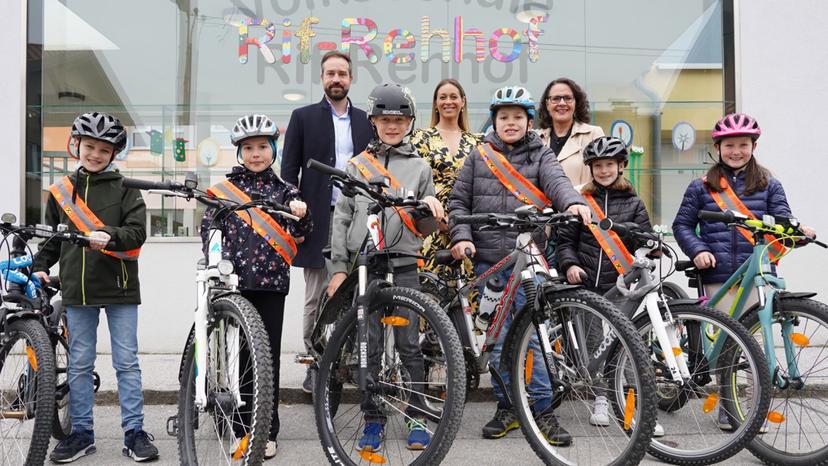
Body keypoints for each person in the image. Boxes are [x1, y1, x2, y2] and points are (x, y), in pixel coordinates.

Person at [448, 86, 591, 445]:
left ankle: (542, 411)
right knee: (498, 341)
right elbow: (458, 202)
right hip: (490, 265)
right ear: (494, 121)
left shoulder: (541, 154)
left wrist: (572, 202)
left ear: (529, 121)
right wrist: (460, 236)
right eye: (503, 117)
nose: (510, 123)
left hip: (531, 262)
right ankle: (507, 407)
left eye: (517, 117)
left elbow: (559, 183)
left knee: (537, 339)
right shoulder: (479, 156)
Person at [672, 113, 816, 429]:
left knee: (757, 345)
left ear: (753, 146)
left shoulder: (769, 184)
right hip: (717, 275)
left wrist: (800, 232)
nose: (736, 151)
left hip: (758, 273)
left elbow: (782, 222)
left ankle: (754, 408)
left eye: (742, 145)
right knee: (726, 343)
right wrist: (699, 250)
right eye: (729, 145)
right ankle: (728, 406)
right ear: (718, 148)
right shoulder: (702, 186)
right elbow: (682, 225)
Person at [32, 112, 159, 463]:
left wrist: (109, 236)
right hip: (77, 292)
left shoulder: (126, 188)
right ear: (77, 146)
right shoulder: (61, 192)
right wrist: (40, 268)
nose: (95, 154)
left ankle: (134, 433)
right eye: (90, 146)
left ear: (114, 153)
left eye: (104, 149)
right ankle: (82, 434)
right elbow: (53, 239)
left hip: (119, 289)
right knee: (80, 363)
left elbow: (137, 233)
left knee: (126, 363)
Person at [327, 83, 445, 452]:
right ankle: (373, 420)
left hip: (406, 264)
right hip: (366, 266)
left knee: (410, 345)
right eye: (384, 120)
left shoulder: (420, 166)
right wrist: (337, 269)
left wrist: (429, 211)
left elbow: (426, 229)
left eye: (399, 120)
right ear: (373, 121)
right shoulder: (356, 165)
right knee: (370, 346)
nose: (392, 126)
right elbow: (342, 219)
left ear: (409, 122)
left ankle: (416, 416)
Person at [201, 114, 311, 459]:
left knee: (266, 360)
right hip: (233, 285)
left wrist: (302, 213)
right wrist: (214, 264)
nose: (256, 154)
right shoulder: (224, 191)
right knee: (239, 357)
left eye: (262, 146)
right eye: (248, 148)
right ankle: (240, 428)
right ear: (239, 153)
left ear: (273, 150)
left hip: (270, 285)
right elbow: (209, 232)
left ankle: (268, 429)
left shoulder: (286, 191)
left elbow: (301, 233)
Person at [555, 136, 664, 437]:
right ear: (590, 168)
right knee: (594, 348)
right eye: (598, 166)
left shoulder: (633, 202)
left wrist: (651, 245)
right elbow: (565, 242)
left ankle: (638, 411)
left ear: (621, 166)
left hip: (623, 287)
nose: (604, 171)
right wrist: (570, 265)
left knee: (626, 348)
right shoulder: (579, 202)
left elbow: (641, 237)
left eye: (609, 165)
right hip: (587, 285)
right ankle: (601, 398)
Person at [281, 50, 373, 393]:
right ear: (322, 78)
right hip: (318, 217)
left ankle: (346, 361)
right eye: (331, 73)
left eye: (343, 74)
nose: (337, 79)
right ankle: (315, 362)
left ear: (351, 79)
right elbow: (289, 171)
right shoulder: (303, 117)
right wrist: (294, 203)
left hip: (358, 218)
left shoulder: (367, 120)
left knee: (355, 292)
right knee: (317, 295)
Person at [411, 78, 480, 277]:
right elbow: (414, 182)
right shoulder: (420, 137)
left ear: (463, 102)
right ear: (435, 103)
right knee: (429, 294)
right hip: (430, 225)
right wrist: (435, 219)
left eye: (453, 97)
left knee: (467, 295)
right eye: (442, 97)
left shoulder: (477, 141)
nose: (448, 101)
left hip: (467, 228)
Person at [536, 77, 605, 186]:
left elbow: (604, 178)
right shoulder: (536, 139)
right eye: (556, 98)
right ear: (547, 104)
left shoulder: (594, 134)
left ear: (576, 103)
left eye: (568, 98)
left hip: (582, 202)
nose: (562, 103)